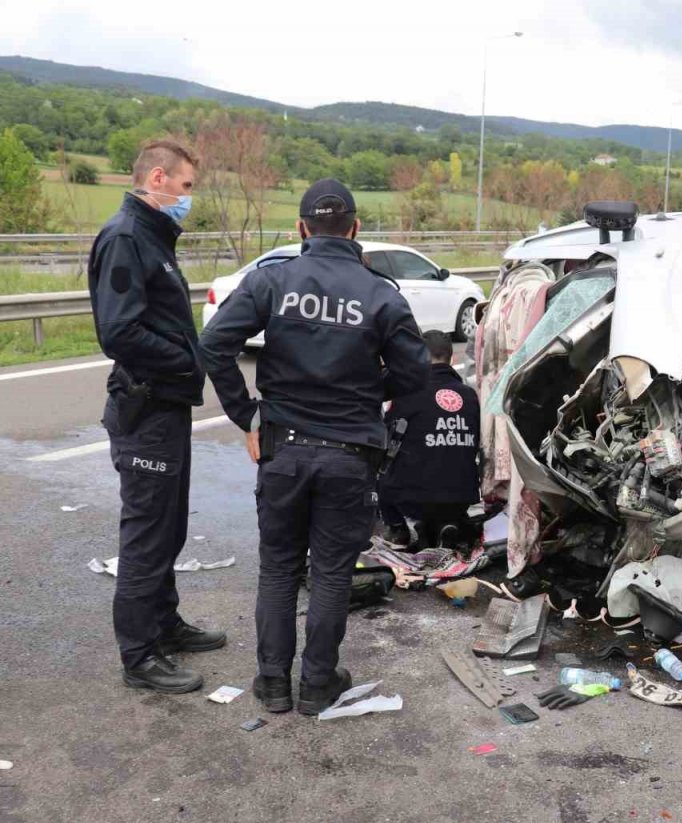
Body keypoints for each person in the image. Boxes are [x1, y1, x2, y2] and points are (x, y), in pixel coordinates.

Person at [199, 179, 431, 715]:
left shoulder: (272, 281)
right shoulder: (381, 293)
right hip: (349, 456)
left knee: (279, 568)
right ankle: (317, 683)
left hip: (283, 449)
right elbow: (415, 377)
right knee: (330, 571)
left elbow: (213, 344)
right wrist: (372, 394)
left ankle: (273, 682)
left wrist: (246, 415)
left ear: (301, 229)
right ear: (355, 230)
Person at [88, 139, 226, 695]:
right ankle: (139, 655)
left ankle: (164, 624)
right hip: (145, 407)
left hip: (166, 407)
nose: (189, 199)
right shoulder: (126, 238)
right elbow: (118, 332)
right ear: (160, 178)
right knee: (146, 534)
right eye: (187, 187)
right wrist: (188, 358)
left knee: (169, 526)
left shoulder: (152, 236)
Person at [378, 330, 481, 550]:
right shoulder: (471, 396)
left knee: (381, 466)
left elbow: (387, 436)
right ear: (452, 359)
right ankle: (448, 523)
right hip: (463, 495)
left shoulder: (407, 392)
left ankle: (399, 529)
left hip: (416, 500)